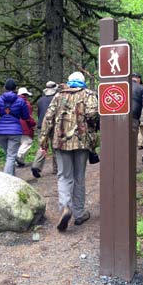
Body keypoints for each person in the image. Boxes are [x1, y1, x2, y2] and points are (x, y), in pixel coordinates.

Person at [39, 71, 99, 232]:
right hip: (81, 142)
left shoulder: (58, 96)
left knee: (64, 176)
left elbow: (48, 118)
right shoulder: (88, 94)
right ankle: (79, 214)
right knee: (79, 177)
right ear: (83, 81)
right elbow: (93, 114)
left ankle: (65, 207)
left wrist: (43, 141)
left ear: (69, 81)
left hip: (61, 141)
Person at [0, 78, 30, 176]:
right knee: (11, 156)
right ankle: (7, 179)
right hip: (15, 131)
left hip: (1, 131)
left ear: (5, 88)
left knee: (9, 155)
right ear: (15, 88)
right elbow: (25, 116)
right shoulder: (20, 101)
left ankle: (12, 177)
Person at [31, 81, 58, 178]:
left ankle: (36, 165)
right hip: (54, 125)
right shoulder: (57, 99)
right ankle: (56, 168)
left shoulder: (40, 101)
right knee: (55, 146)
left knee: (43, 146)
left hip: (41, 125)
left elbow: (39, 114)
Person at [15, 87, 36, 167]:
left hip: (14, 126)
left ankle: (19, 162)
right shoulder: (26, 104)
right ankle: (18, 157)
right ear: (25, 95)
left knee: (20, 143)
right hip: (24, 126)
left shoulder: (13, 102)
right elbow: (28, 116)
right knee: (27, 142)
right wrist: (33, 123)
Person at [131, 72, 143, 141]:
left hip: (120, 119)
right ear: (139, 79)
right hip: (134, 118)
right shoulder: (140, 88)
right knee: (132, 142)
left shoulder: (123, 86)